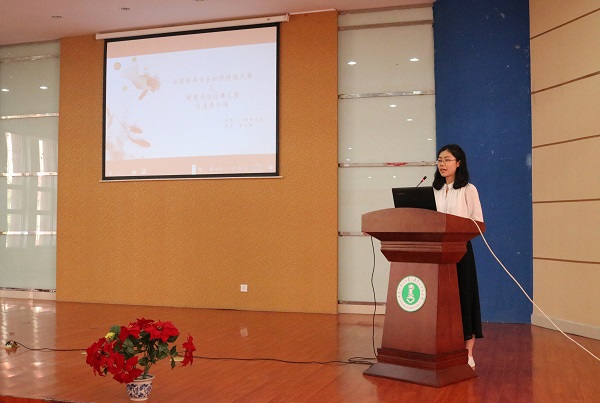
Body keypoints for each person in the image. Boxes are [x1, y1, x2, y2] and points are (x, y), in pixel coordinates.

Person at [432, 144, 483, 370]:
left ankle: (468, 352)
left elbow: (478, 223)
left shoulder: (468, 189)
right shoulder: (433, 190)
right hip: (435, 252)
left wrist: (456, 230)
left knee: (464, 298)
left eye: (447, 160)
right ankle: (440, 348)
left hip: (460, 251)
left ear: (459, 163)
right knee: (440, 301)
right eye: (439, 160)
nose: (442, 164)